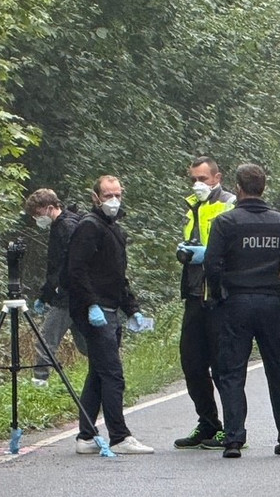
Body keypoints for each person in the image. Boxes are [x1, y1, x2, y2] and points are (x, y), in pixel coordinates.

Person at [204, 163, 280, 458]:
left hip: (237, 303)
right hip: (271, 303)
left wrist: (219, 295)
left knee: (232, 372)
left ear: (239, 188)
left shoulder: (226, 223)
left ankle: (233, 439)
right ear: (264, 187)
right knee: (277, 371)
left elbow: (211, 264)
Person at [65, 175, 155, 455]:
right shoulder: (89, 227)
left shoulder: (113, 229)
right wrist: (90, 304)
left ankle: (86, 435)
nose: (113, 201)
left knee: (98, 374)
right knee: (113, 375)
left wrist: (133, 309)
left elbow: (118, 276)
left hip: (110, 309)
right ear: (95, 198)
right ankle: (119, 436)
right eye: (107, 196)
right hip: (95, 312)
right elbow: (75, 270)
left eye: (117, 195)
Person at [172, 156, 236, 450]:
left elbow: (234, 247)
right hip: (195, 293)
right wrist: (184, 251)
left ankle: (233, 429)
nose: (197, 185)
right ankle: (208, 423)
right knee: (192, 363)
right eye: (193, 179)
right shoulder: (193, 206)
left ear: (217, 177)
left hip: (221, 295)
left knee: (223, 366)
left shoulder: (230, 204)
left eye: (203, 179)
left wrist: (206, 254)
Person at [23, 188, 87, 386]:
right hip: (75, 294)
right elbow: (55, 267)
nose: (36, 219)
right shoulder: (62, 224)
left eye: (37, 214)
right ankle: (106, 370)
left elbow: (65, 265)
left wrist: (53, 292)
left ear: (50, 208)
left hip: (69, 295)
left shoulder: (66, 227)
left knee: (47, 338)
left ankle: (39, 380)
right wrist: (45, 294)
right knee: (86, 343)